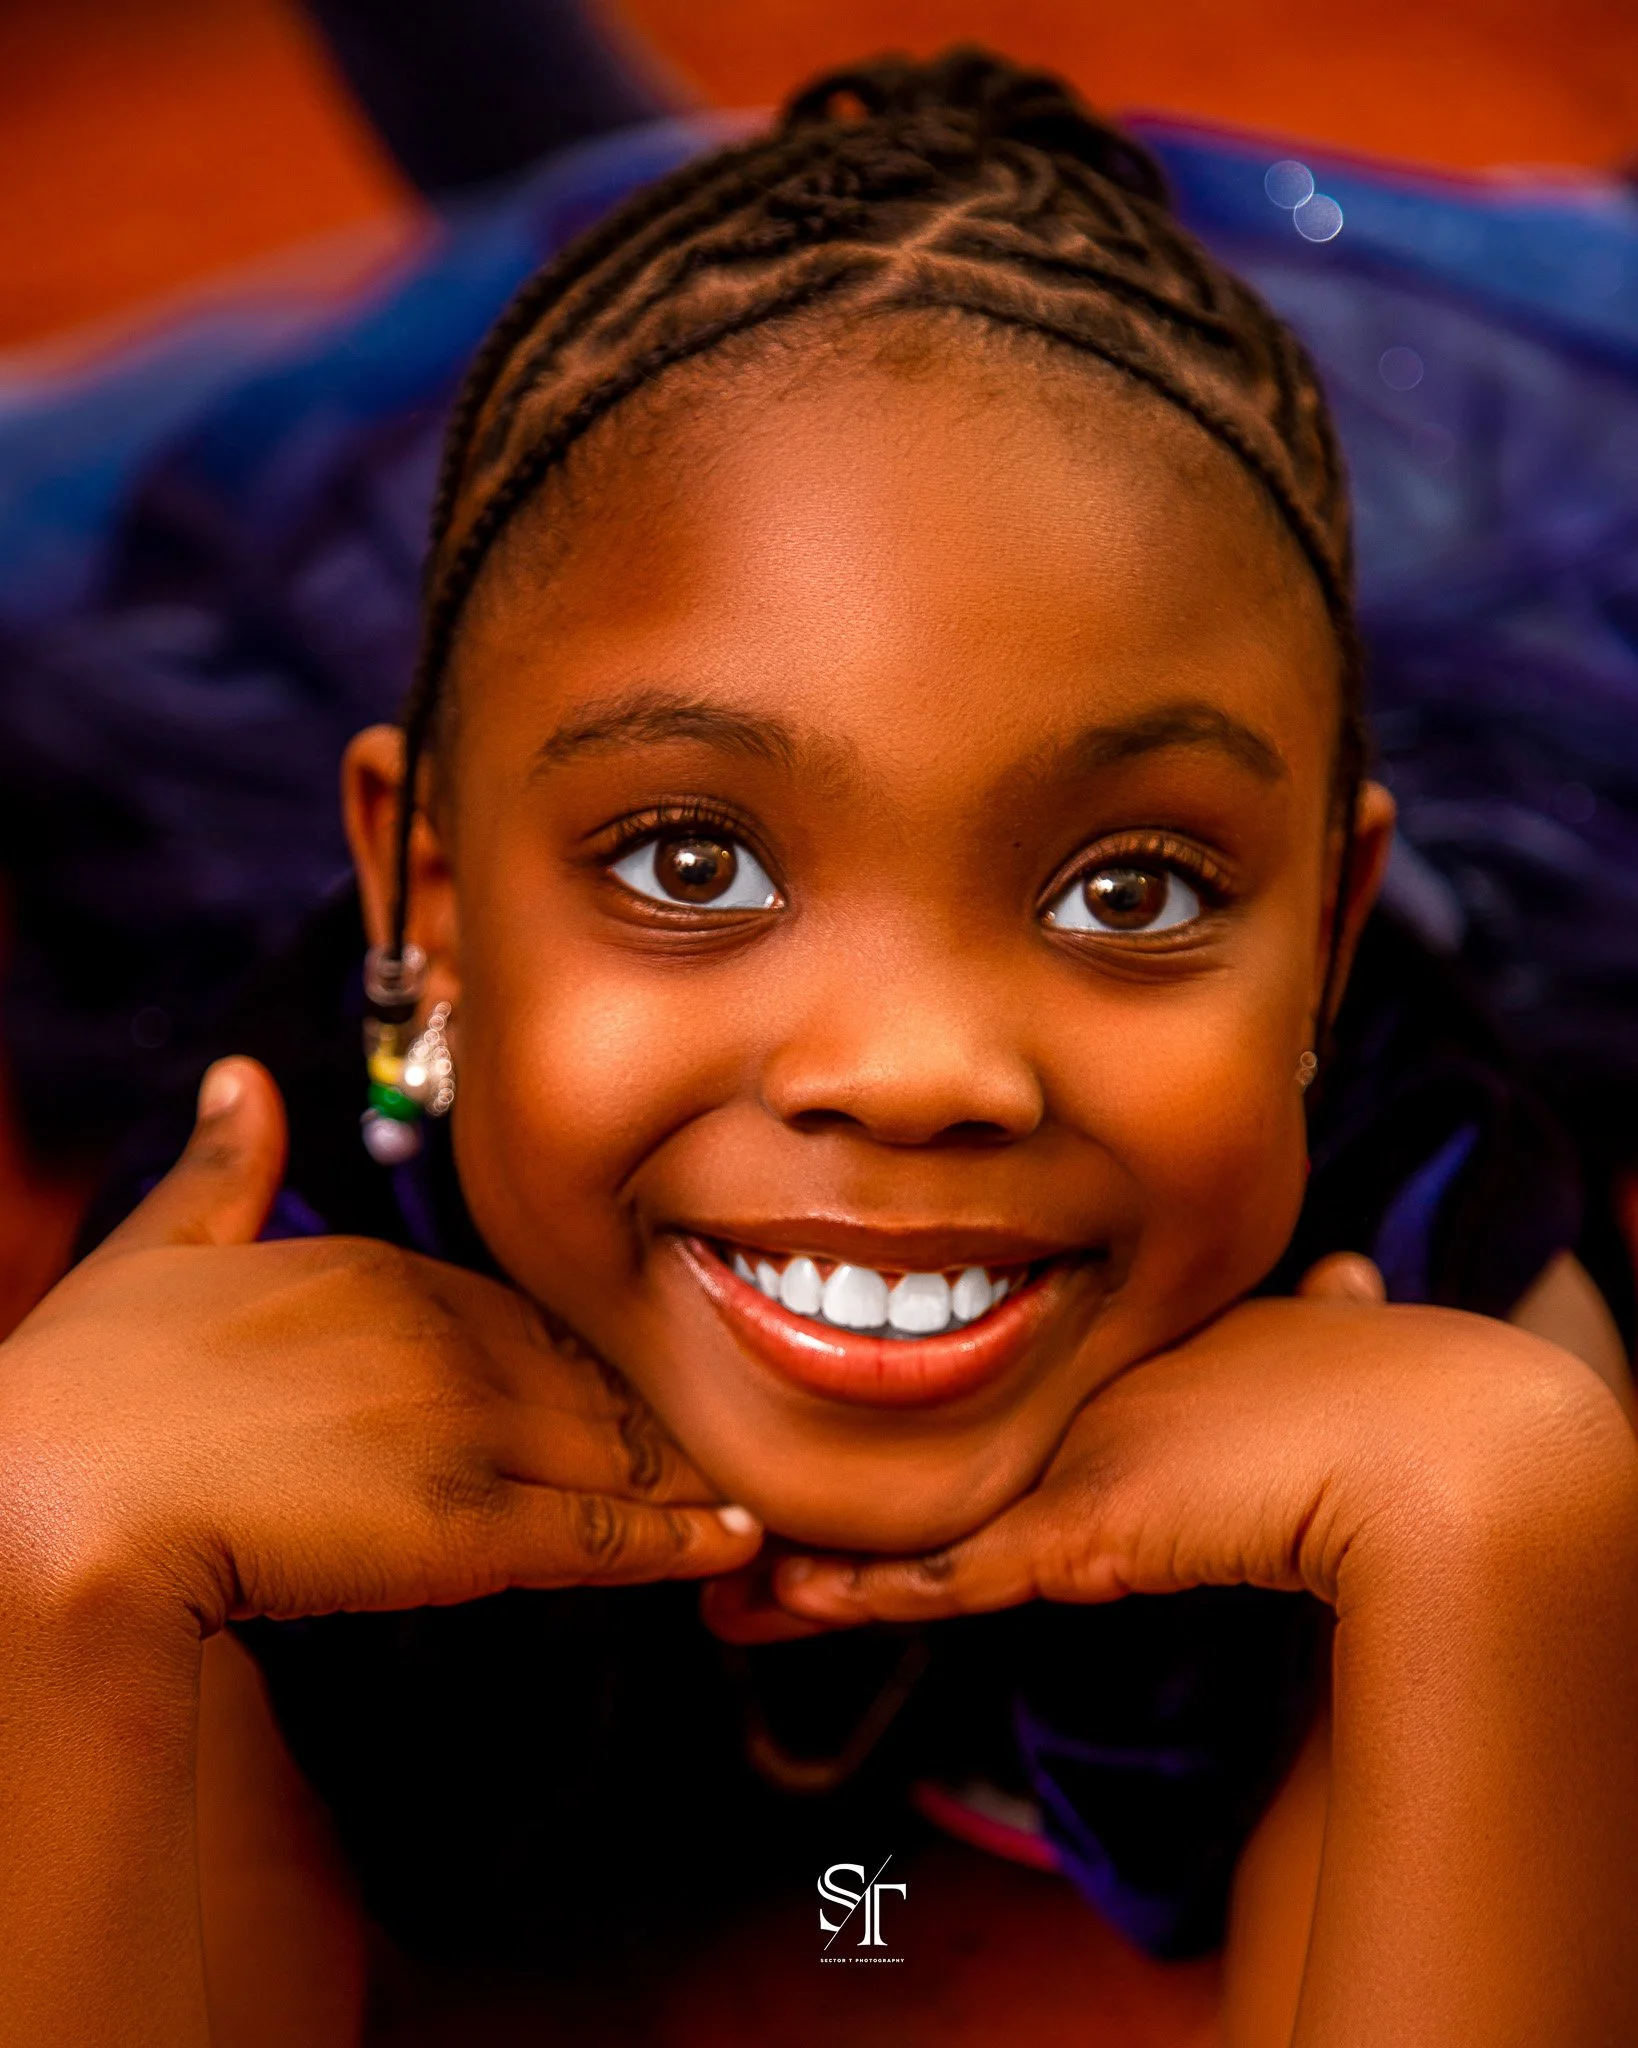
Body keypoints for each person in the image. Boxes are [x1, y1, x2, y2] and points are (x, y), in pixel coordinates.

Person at [1, 49, 1634, 2046]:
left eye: (1133, 888)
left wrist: (1501, 1517)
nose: (915, 1066)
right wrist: (50, 1565)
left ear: (1327, 946)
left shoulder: (1431, 1222)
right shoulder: (275, 1230)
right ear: (419, 906)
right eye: (689, 856)